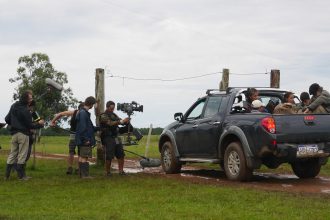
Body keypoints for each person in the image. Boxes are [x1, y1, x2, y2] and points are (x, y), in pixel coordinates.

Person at [4, 90, 44, 180]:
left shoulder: (14, 106)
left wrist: (15, 123)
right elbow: (29, 125)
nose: (31, 99)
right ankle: (21, 176)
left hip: (14, 134)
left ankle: (6, 176)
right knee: (22, 155)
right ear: (26, 98)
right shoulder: (26, 110)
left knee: (12, 154)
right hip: (23, 134)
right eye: (30, 98)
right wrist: (40, 124)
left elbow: (7, 119)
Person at [100, 101, 142, 176]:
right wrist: (122, 121)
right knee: (109, 155)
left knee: (121, 154)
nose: (112, 109)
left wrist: (126, 121)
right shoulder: (103, 115)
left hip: (116, 137)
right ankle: (107, 172)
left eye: (113, 108)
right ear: (107, 107)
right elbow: (110, 123)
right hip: (108, 137)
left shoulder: (114, 115)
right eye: (111, 108)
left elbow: (120, 121)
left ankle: (121, 171)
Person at [50, 102, 84, 175]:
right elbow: (60, 114)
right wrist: (53, 121)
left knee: (80, 152)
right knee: (71, 151)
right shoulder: (73, 112)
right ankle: (70, 168)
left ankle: (78, 168)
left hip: (81, 135)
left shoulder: (85, 114)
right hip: (73, 134)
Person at [75, 97, 98, 178]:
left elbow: (89, 127)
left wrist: (99, 128)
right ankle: (85, 175)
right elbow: (83, 127)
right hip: (85, 139)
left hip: (81, 138)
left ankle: (82, 174)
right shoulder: (84, 113)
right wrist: (86, 139)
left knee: (82, 156)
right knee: (85, 156)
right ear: (91, 104)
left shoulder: (82, 112)